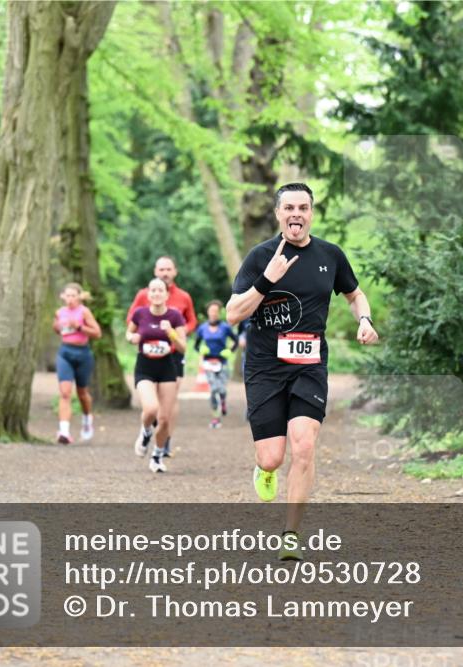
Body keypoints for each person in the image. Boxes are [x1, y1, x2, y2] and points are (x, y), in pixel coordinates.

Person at [226, 182, 379, 560]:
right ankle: (265, 471)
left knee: (305, 445)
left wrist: (364, 319)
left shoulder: (330, 255)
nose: (296, 214)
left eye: (304, 207)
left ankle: (290, 534)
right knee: (272, 457)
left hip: (310, 366)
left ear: (312, 213)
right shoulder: (260, 257)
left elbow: (355, 294)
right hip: (265, 368)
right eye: (289, 207)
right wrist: (267, 280)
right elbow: (233, 314)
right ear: (278, 214)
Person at [127, 256, 197, 458]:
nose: (165, 273)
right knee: (151, 404)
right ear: (155, 272)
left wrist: (177, 332)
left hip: (174, 353)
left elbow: (191, 322)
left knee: (170, 400)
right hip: (149, 352)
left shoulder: (183, 297)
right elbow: (132, 319)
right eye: (161, 269)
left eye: (168, 269)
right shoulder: (143, 296)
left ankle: (165, 441)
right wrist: (137, 337)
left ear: (175, 272)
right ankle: (150, 430)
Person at [53, 283, 102, 444]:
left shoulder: (84, 311)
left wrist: (79, 327)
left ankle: (87, 420)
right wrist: (57, 326)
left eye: (73, 296)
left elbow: (97, 333)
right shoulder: (59, 312)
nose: (70, 299)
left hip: (83, 354)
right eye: (67, 295)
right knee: (65, 392)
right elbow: (57, 329)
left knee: (82, 394)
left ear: (79, 297)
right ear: (63, 296)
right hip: (65, 353)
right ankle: (64, 431)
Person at [193, 300, 239, 428]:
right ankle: (215, 418)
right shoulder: (202, 328)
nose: (213, 313)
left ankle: (223, 401)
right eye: (211, 311)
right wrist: (201, 350)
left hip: (222, 363)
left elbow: (236, 341)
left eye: (216, 311)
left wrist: (229, 351)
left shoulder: (225, 327)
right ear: (208, 312)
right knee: (214, 390)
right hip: (208, 363)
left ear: (219, 313)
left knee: (222, 390)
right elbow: (196, 346)